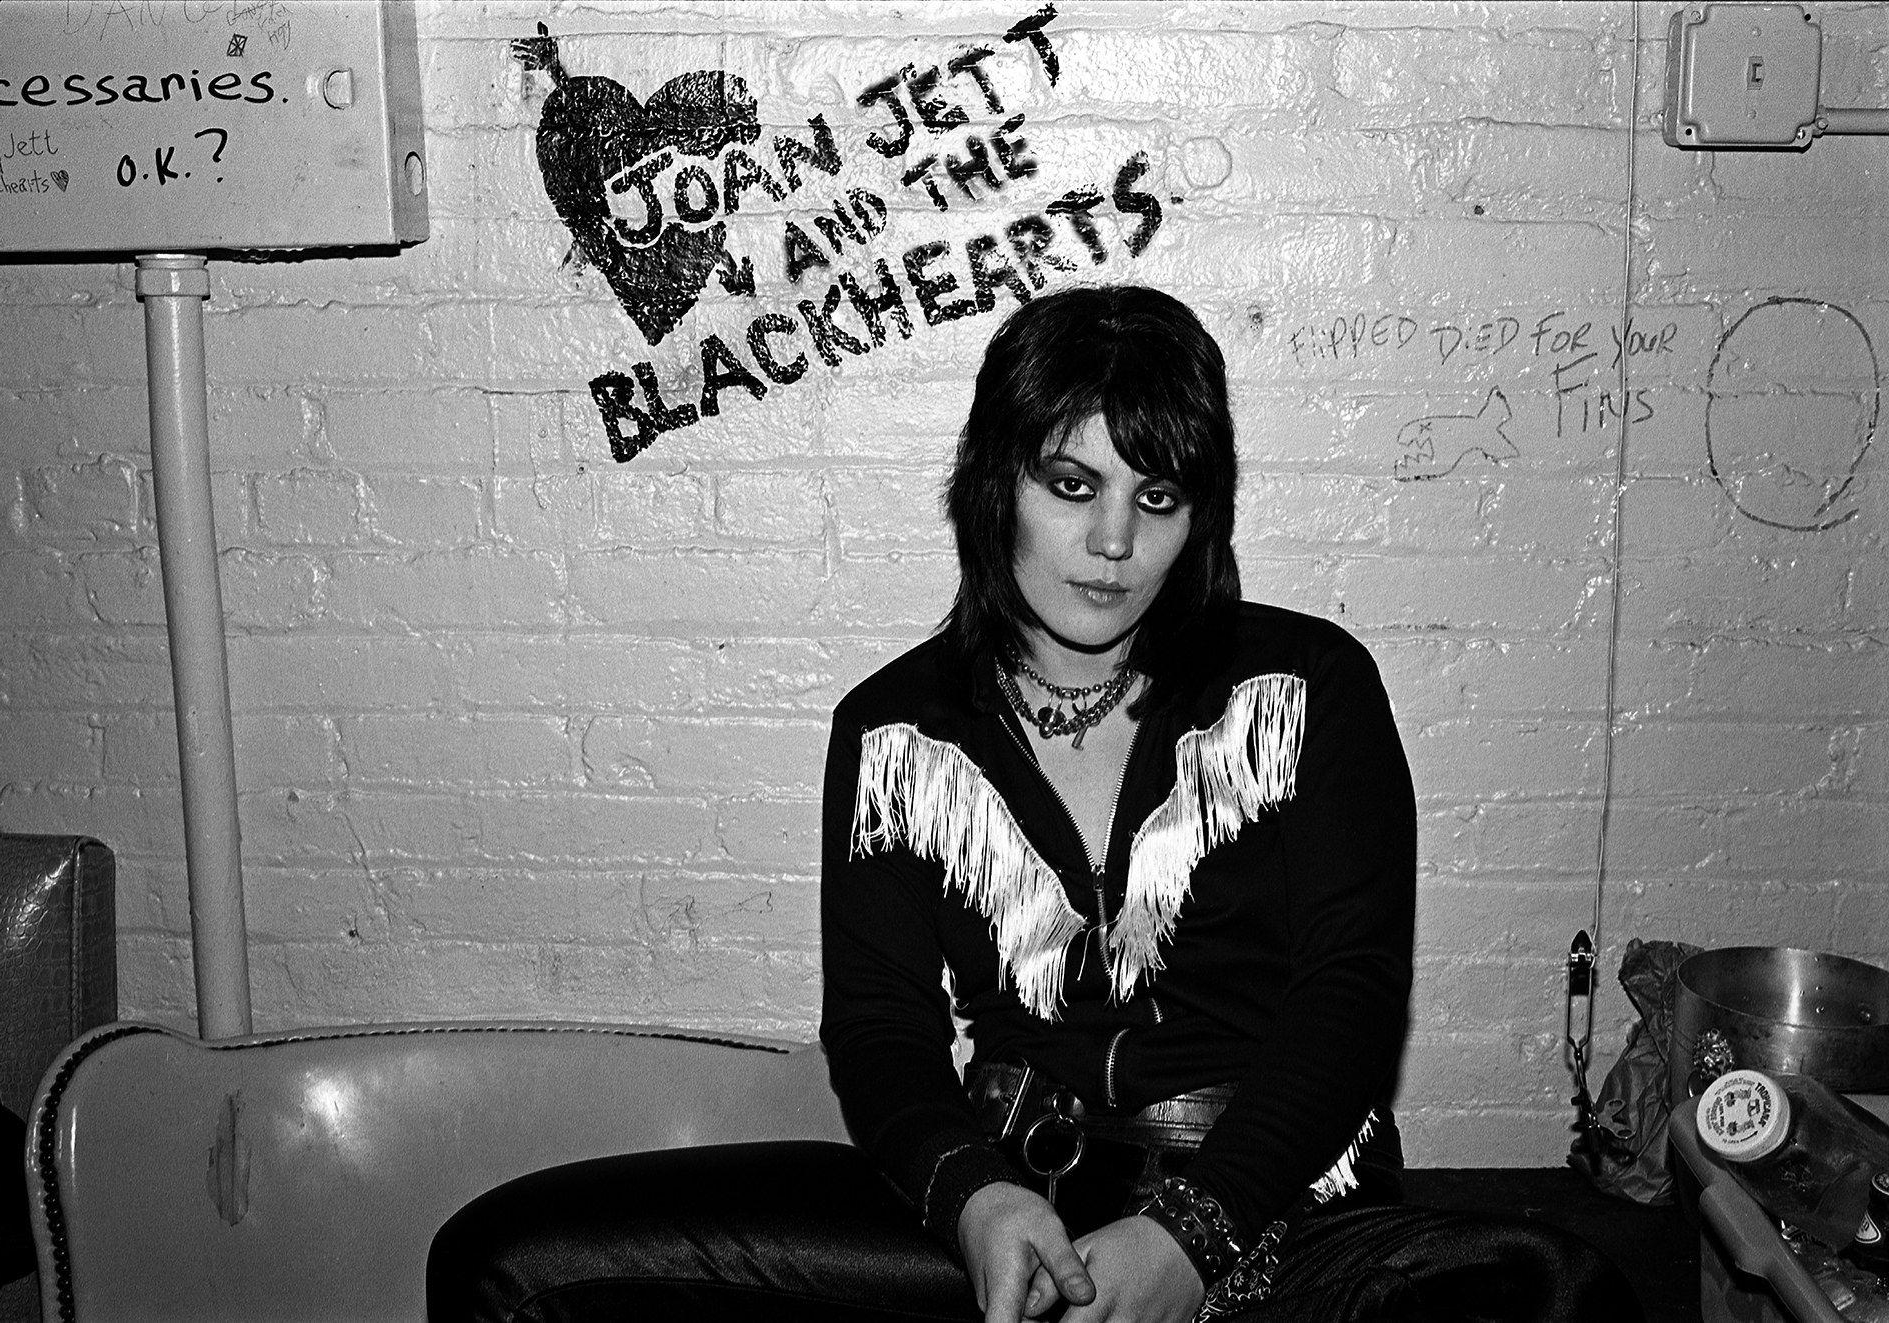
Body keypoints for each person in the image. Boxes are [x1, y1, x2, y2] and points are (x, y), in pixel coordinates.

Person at [428, 285, 1640, 1322]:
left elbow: (1350, 998)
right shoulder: (893, 730)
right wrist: (971, 1197)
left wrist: (1189, 1237)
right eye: (1071, 482)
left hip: (1278, 1216)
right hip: (1006, 1204)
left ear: (1196, 514)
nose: (1111, 542)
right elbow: (881, 1033)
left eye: (1153, 498)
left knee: (1559, 1285)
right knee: (515, 1267)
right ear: (996, 481)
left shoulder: (1305, 686)